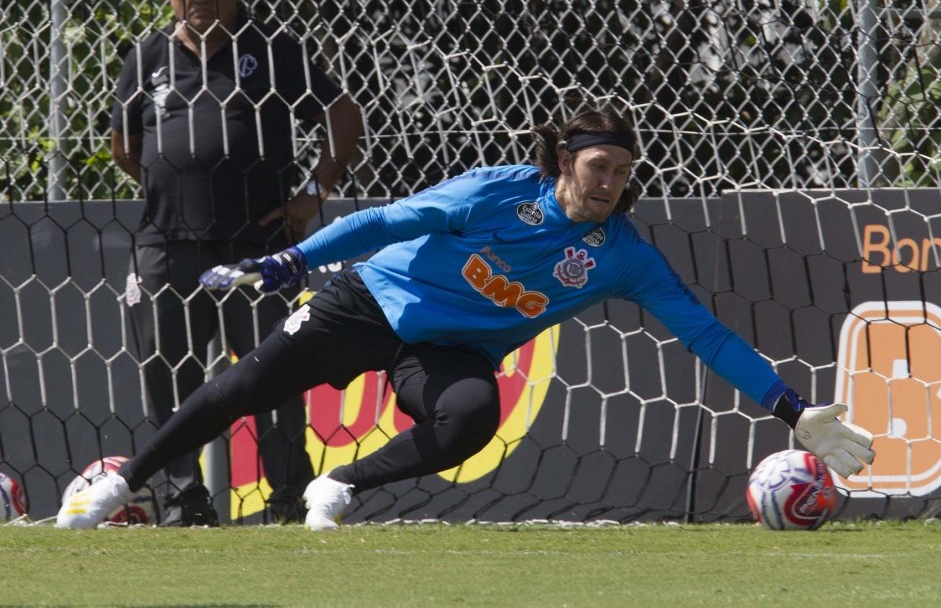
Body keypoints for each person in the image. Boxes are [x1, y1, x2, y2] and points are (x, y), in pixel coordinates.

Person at [59, 103, 874, 531]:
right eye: (599, 167)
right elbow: (386, 222)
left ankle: (335, 484)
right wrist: (290, 263)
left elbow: (702, 332)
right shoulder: (496, 190)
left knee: (471, 416)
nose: (611, 184)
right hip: (371, 300)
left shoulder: (622, 253)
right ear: (564, 160)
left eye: (624, 173)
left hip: (447, 348)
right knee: (241, 386)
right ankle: (115, 487)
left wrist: (791, 409)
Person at [109, 0, 363, 525]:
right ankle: (185, 499)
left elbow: (342, 115)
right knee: (168, 374)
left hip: (258, 250)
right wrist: (171, 189)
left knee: (273, 372)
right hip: (167, 244)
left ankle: (289, 498)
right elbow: (124, 147)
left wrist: (312, 195)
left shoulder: (274, 51)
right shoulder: (147, 54)